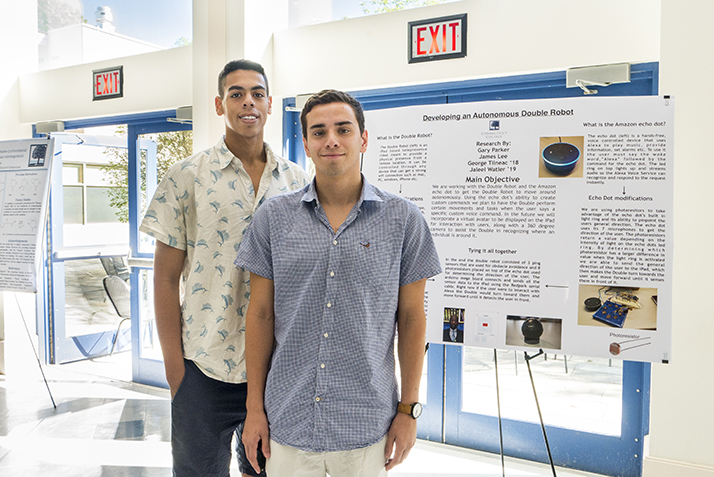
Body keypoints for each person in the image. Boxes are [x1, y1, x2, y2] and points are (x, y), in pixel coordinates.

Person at [235, 89, 442, 476]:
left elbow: (413, 319)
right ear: (307, 145)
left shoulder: (404, 220)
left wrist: (409, 410)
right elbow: (260, 315)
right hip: (287, 418)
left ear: (363, 139)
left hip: (367, 423)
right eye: (319, 132)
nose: (331, 139)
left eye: (343, 129)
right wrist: (254, 409)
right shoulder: (273, 219)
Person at [139, 59, 310, 477]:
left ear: (270, 105)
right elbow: (163, 278)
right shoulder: (185, 178)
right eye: (236, 94)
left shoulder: (300, 183)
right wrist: (175, 370)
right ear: (220, 105)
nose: (247, 102)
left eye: (256, 93)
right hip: (202, 365)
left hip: (276, 368)